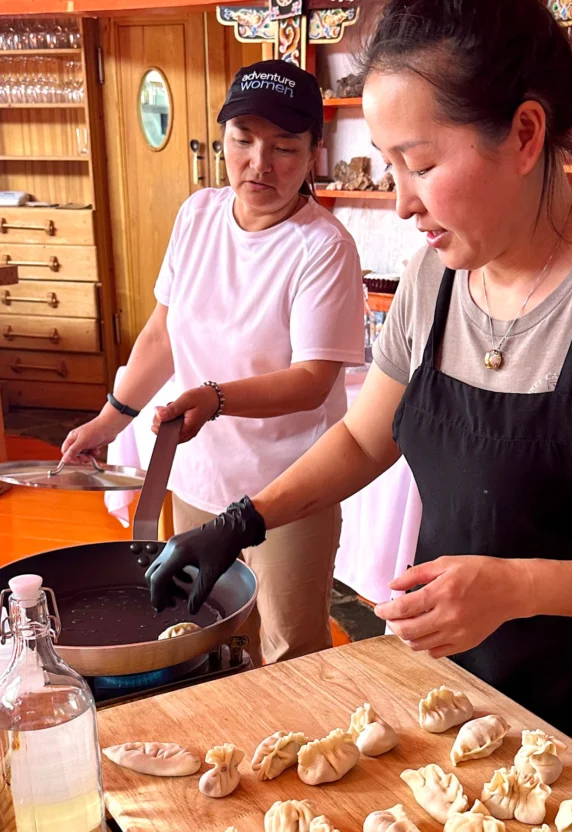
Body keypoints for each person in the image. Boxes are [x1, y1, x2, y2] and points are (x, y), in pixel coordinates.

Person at [147, 0, 572, 770]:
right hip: (451, 714)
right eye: (388, 166)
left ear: (524, 134)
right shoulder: (434, 279)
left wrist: (516, 588)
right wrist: (241, 521)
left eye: (423, 164)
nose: (403, 201)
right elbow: (360, 437)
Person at [61, 60, 365, 666]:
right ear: (222, 138)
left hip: (287, 488)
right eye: (243, 140)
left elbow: (312, 383)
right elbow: (161, 334)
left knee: (289, 649)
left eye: (284, 146)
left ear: (313, 154)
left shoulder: (324, 247)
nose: (260, 163)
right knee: (209, 636)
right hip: (197, 474)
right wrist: (111, 419)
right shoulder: (197, 215)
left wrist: (214, 396)